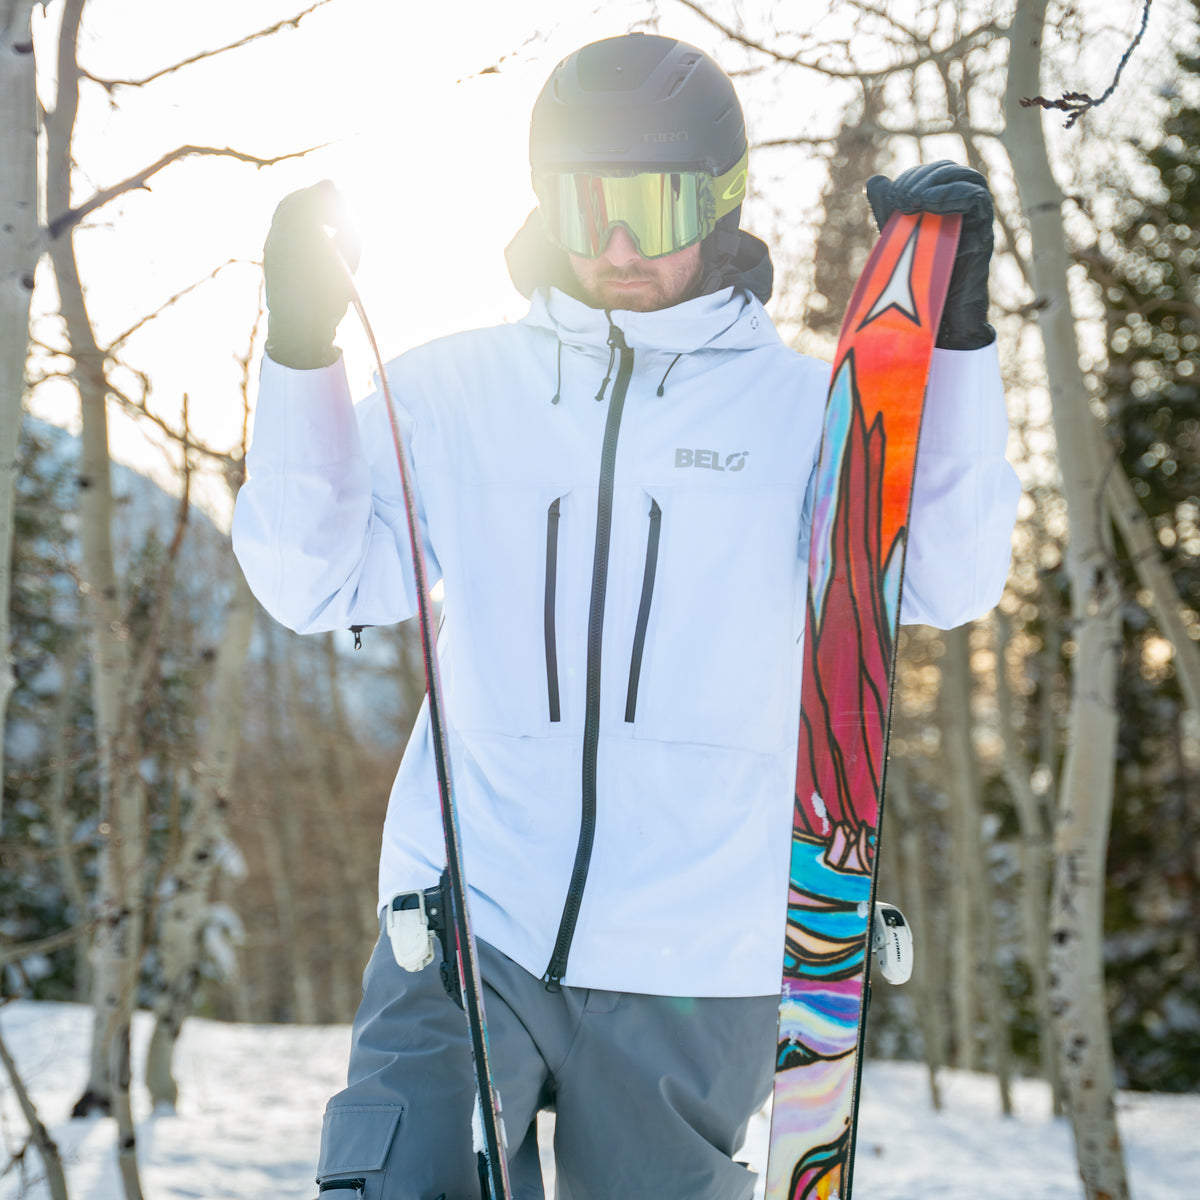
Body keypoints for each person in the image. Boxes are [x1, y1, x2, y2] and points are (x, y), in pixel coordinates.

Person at [232, 32, 1020, 1200]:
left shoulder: (809, 412)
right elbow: (315, 581)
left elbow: (947, 579)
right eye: (585, 203)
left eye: (651, 207)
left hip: (698, 956)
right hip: (465, 929)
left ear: (719, 203)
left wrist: (951, 348)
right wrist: (298, 350)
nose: (613, 246)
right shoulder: (455, 390)